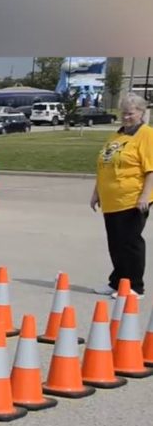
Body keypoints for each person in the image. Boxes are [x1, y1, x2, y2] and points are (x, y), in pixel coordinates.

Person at [90, 93, 153, 299]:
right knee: (115, 243)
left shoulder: (146, 135)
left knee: (130, 242)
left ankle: (135, 286)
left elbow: (151, 170)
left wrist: (144, 196)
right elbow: (104, 166)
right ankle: (117, 281)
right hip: (111, 200)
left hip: (133, 199)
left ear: (141, 113)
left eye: (131, 113)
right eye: (124, 113)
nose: (126, 117)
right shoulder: (117, 135)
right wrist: (96, 192)